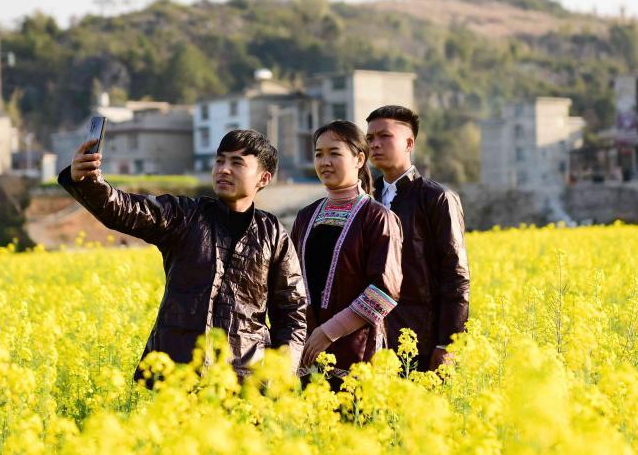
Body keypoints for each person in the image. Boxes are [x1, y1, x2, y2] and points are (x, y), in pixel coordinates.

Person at [59, 129, 307, 380]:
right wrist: (86, 180)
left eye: (237, 163)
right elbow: (125, 210)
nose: (223, 169)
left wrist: (281, 375)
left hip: (245, 381)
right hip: (179, 374)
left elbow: (292, 311)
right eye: (220, 160)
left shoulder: (273, 235)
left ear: (263, 178)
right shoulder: (186, 216)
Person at [292, 120, 402, 384]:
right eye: (319, 154)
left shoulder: (378, 217)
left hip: (358, 354)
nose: (324, 161)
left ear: (359, 159)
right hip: (306, 352)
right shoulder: (307, 216)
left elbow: (384, 291)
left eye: (334, 153)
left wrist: (328, 332)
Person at [366, 105, 470, 372]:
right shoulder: (365, 198)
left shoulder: (436, 198)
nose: (375, 145)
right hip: (369, 338)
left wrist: (448, 343)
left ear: (409, 143)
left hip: (421, 337)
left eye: (384, 136)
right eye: (370, 138)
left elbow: (455, 274)